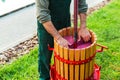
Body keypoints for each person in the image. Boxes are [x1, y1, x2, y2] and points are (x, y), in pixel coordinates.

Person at [35, 0, 91, 80]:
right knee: (45, 55)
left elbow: (81, 5)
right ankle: (44, 77)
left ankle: (64, 75)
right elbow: (42, 15)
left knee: (66, 54)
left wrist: (83, 27)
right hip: (46, 26)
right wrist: (58, 37)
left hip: (64, 21)